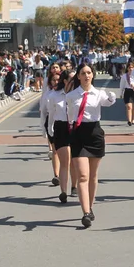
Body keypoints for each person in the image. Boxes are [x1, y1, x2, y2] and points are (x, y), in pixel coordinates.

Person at [67, 63, 116, 228]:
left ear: (92, 75)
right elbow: (70, 117)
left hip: (95, 133)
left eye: (89, 73)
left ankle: (91, 206)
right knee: (82, 176)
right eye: (83, 73)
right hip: (78, 134)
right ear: (79, 76)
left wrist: (111, 97)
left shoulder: (98, 94)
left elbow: (109, 102)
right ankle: (86, 212)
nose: (87, 75)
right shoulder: (72, 95)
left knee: (93, 176)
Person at [46, 69, 78, 201]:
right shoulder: (54, 95)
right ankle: (63, 192)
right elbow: (50, 114)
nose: (74, 81)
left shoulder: (79, 94)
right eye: (71, 79)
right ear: (64, 81)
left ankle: (74, 187)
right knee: (65, 161)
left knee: (74, 161)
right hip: (61, 128)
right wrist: (49, 129)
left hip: (76, 127)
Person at [40, 73, 61, 186]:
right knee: (55, 150)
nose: (56, 82)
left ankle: (66, 172)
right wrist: (44, 128)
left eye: (58, 80)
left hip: (63, 123)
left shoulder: (66, 93)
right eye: (54, 80)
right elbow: (43, 112)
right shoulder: (47, 94)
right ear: (50, 82)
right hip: (51, 122)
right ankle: (56, 175)